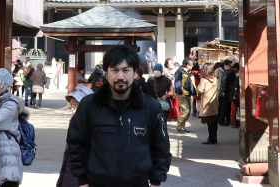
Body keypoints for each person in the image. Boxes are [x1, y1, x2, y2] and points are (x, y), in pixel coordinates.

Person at [66, 45, 171, 187]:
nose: (120, 76)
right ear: (106, 72)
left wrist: (156, 181)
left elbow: (161, 146)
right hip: (96, 183)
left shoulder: (151, 106)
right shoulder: (89, 105)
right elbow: (75, 143)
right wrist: (82, 180)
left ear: (135, 73)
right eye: (114, 70)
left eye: (126, 70)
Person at [57, 85, 94, 187]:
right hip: (70, 173)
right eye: (72, 103)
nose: (72, 108)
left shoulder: (94, 126)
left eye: (76, 104)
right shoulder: (74, 122)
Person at [197, 63, 219, 144]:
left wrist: (198, 86)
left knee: (209, 122)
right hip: (213, 101)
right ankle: (214, 137)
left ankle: (210, 138)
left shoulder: (204, 79)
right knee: (214, 120)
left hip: (206, 102)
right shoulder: (215, 78)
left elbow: (201, 90)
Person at [174, 57, 197, 134]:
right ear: (187, 65)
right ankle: (179, 127)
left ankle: (182, 127)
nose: (192, 66)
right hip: (182, 94)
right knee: (185, 110)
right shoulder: (179, 72)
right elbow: (177, 83)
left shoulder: (189, 72)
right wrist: (180, 93)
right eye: (191, 64)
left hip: (189, 94)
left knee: (188, 112)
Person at [217, 60, 234, 126]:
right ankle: (223, 121)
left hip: (223, 92)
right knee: (225, 108)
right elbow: (224, 82)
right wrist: (224, 92)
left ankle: (222, 120)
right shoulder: (228, 72)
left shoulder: (226, 72)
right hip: (225, 93)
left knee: (223, 107)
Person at [229, 63, 241, 129]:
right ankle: (233, 121)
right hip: (235, 95)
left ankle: (233, 121)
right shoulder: (238, 77)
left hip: (233, 94)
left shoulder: (236, 77)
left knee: (233, 109)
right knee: (234, 109)